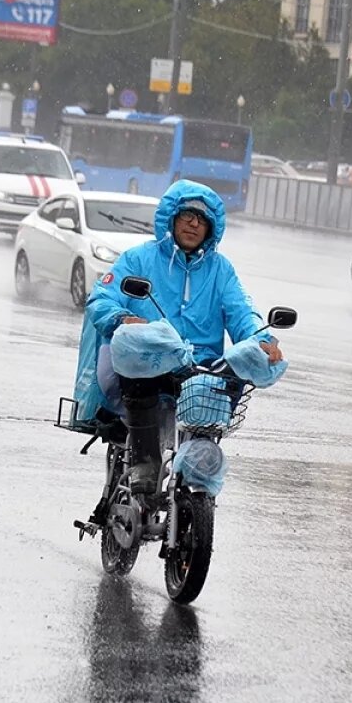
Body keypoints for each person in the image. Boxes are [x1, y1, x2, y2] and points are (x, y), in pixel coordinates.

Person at [83, 179, 283, 493]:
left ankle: (198, 479)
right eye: (187, 216)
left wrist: (262, 341)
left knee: (225, 387)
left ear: (211, 228)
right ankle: (144, 462)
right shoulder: (138, 259)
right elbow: (101, 298)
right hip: (147, 362)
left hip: (198, 368)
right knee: (140, 381)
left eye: (202, 219)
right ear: (171, 219)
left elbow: (242, 312)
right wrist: (123, 318)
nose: (193, 224)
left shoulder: (221, 270)